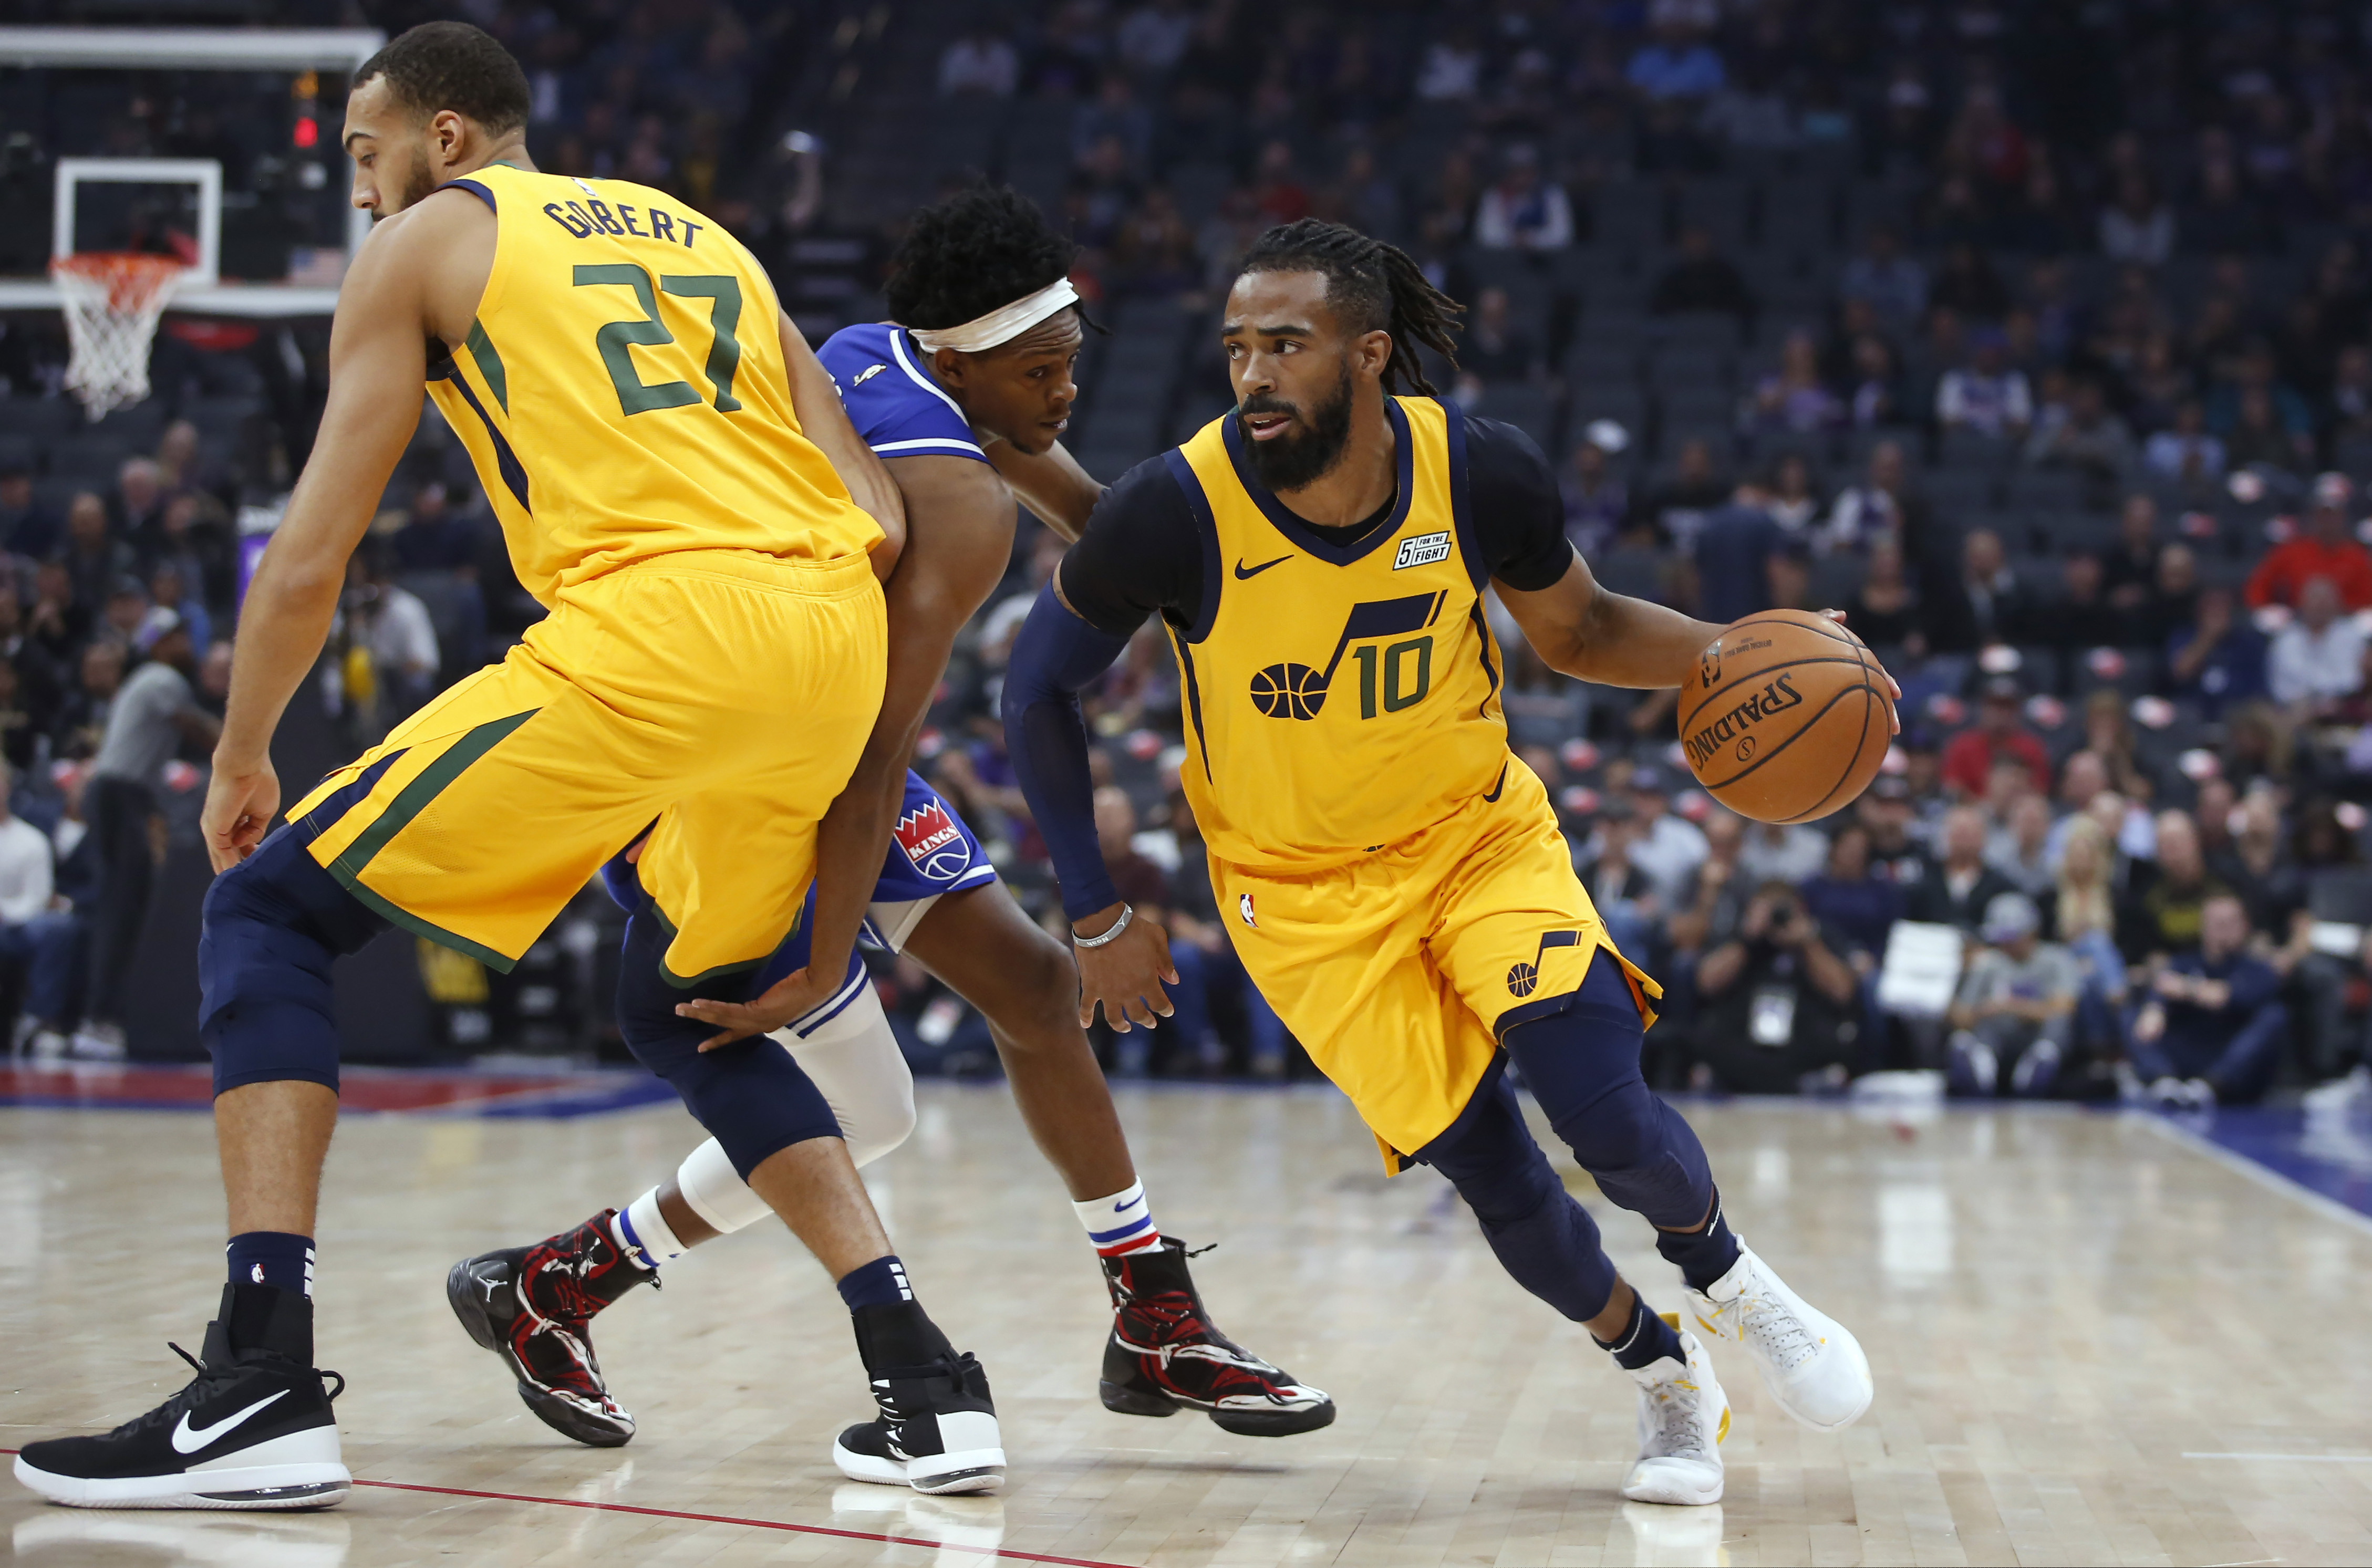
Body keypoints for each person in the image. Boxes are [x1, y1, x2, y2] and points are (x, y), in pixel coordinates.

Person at [13, 23, 951, 1512]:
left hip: (661, 628)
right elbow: (882, 515)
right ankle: (925, 1379)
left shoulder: (432, 242)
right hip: (831, 642)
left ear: (445, 137)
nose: (357, 188)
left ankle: (259, 1381)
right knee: (689, 1006)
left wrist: (243, 749)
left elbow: (309, 555)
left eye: (365, 151)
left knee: (265, 908)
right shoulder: (706, 237)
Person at [1002, 219, 1880, 1510]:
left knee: (1598, 1102)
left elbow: (1582, 629)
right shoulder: (1173, 507)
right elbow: (1035, 691)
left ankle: (1733, 1281)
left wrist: (1745, 648)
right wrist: (1091, 910)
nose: (1253, 373)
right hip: (1300, 901)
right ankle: (1663, 1371)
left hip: (1474, 839)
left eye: (1286, 345)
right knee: (1499, 1179)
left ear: (1368, 354)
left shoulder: (1475, 469)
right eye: (1237, 347)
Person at [447, 185, 1325, 1450]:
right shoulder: (960, 509)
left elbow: (1102, 523)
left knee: (1029, 995)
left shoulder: (879, 354)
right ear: (966, 361)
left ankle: (1153, 1315)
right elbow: (868, 759)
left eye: (1071, 360)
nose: (1069, 389)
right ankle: (563, 1284)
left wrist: (1259, 568)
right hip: (754, 768)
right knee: (871, 1109)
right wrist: (822, 957)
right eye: (1046, 369)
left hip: (799, 725)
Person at [72, 609, 219, 1061]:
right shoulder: (161, 677)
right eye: (175, 637)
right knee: (121, 907)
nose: (184, 645)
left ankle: (104, 1015)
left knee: (125, 905)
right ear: (158, 644)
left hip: (121, 795)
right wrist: (252, 749)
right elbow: (197, 728)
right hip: (121, 795)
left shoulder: (145, 680)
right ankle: (100, 1019)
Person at [1692, 880, 1863, 1093]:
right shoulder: (1739, 936)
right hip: (1743, 1038)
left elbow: (1843, 992)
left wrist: (1808, 944)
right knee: (1710, 1034)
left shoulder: (1819, 936)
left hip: (1801, 1040)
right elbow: (1706, 983)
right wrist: (1748, 939)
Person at [2127, 894, 2284, 1106]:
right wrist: (2155, 1008)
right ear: (2203, 927)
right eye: (2216, 923)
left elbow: (2226, 997)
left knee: (2275, 1015)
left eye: (2230, 923)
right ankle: (2162, 1080)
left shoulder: (2258, 970)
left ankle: (2211, 1086)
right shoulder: (2182, 962)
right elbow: (2163, 988)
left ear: (2245, 927)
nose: (2223, 930)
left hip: (2230, 1056)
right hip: (2188, 1051)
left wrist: (2187, 988)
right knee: (2132, 1012)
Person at [1946, 891, 2077, 1097]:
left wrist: (2011, 1006)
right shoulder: (1987, 963)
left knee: (2057, 1027)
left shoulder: (2056, 959)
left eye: (2012, 937)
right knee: (1965, 1038)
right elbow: (1961, 1017)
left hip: (2036, 1038)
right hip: (1997, 1040)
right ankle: (1981, 1066)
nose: (2005, 944)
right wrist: (1959, 978)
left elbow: (2064, 1008)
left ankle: (2038, 1067)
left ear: (2031, 932)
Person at [2244, 472, 2372, 610]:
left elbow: (2368, 596)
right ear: (2313, 515)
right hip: (2298, 618)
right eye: (2323, 515)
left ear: (2343, 517)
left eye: (2333, 515)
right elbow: (2258, 586)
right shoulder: (2291, 551)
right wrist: (2265, 609)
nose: (2328, 522)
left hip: (2344, 619)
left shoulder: (2356, 555)